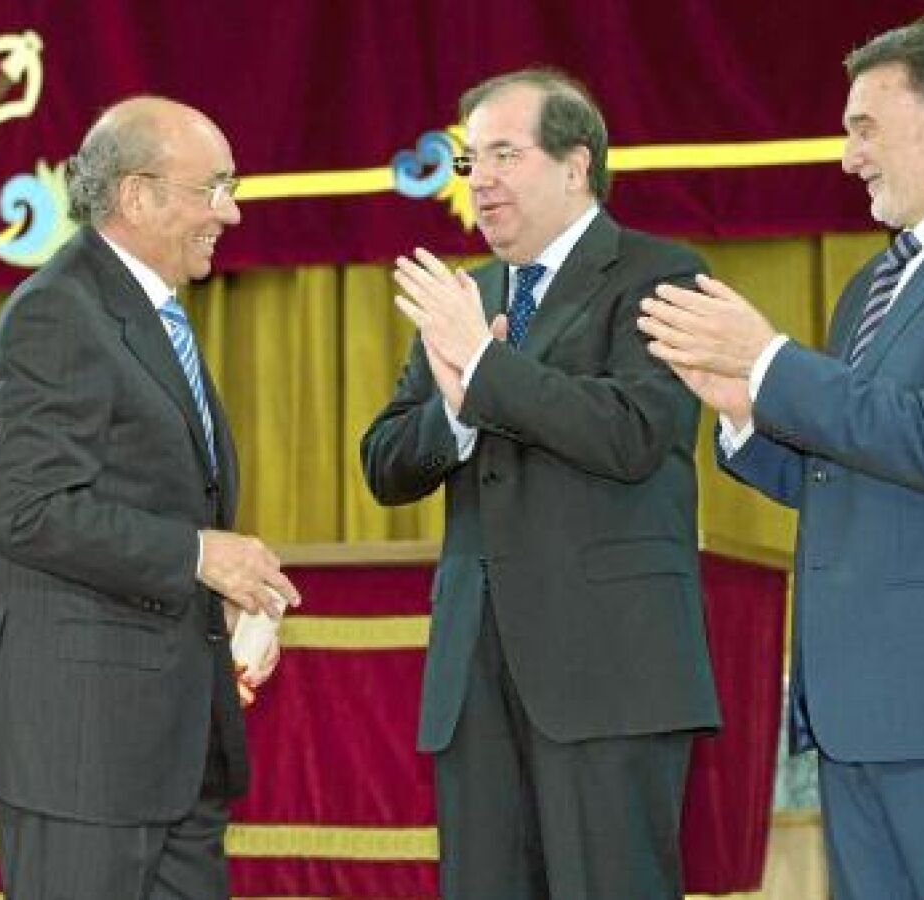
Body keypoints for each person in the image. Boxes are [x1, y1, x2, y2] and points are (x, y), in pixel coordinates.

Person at [637, 24, 924, 900]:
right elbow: (841, 467)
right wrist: (744, 408)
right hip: (861, 709)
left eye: (865, 128)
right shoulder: (871, 287)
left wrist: (770, 360)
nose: (848, 157)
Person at [360, 69, 720, 899]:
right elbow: (385, 461)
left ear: (575, 164)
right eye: (470, 162)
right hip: (475, 677)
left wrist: (484, 370)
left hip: (608, 673)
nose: (479, 180)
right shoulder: (469, 295)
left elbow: (632, 433)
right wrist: (455, 412)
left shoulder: (660, 274)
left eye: (504, 155)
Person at [0, 96, 300, 900]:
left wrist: (214, 591)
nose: (231, 211)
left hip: (173, 751)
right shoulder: (57, 312)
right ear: (138, 195)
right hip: (83, 751)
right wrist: (197, 556)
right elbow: (31, 512)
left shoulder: (146, 312)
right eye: (213, 188)